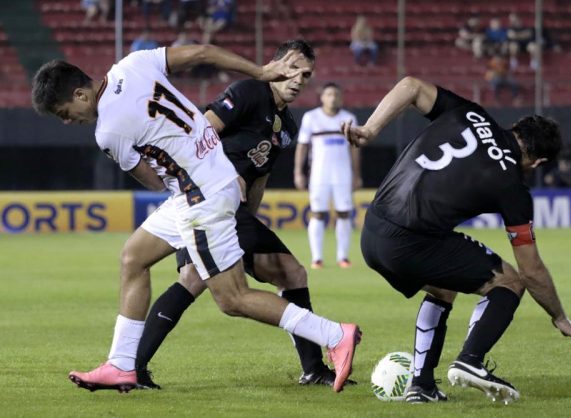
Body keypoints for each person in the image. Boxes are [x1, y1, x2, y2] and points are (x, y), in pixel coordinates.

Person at [32, 43, 361, 394]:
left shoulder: (108, 132)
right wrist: (260, 71)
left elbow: (153, 180)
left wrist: (176, 163)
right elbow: (202, 52)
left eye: (64, 113)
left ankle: (334, 335)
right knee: (133, 257)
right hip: (213, 178)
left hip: (199, 198)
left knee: (232, 298)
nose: (68, 121)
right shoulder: (133, 64)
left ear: (81, 94)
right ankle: (121, 364)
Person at [342, 76, 571, 403]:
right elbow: (532, 271)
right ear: (539, 162)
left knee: (444, 286)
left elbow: (411, 85)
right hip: (410, 241)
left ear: (515, 126)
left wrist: (371, 129)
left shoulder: (470, 113)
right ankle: (471, 360)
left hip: (372, 233)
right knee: (510, 282)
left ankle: (421, 385)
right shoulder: (513, 186)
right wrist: (557, 314)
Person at [134, 40, 355, 390]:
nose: (298, 78)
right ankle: (317, 362)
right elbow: (199, 132)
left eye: (306, 74)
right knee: (272, 275)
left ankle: (133, 368)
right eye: (292, 67)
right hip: (208, 199)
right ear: (274, 63)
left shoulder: (288, 126)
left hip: (232, 213)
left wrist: (250, 217)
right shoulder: (249, 91)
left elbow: (260, 175)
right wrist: (219, 172)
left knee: (198, 278)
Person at [294, 82, 361, 269]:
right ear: (322, 97)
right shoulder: (311, 117)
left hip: (343, 173)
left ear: (341, 97)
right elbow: (302, 146)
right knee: (317, 213)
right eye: (329, 94)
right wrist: (298, 172)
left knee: (344, 213)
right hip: (319, 174)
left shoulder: (349, 118)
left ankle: (343, 257)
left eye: (336, 94)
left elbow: (354, 149)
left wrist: (356, 174)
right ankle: (317, 258)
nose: (333, 98)